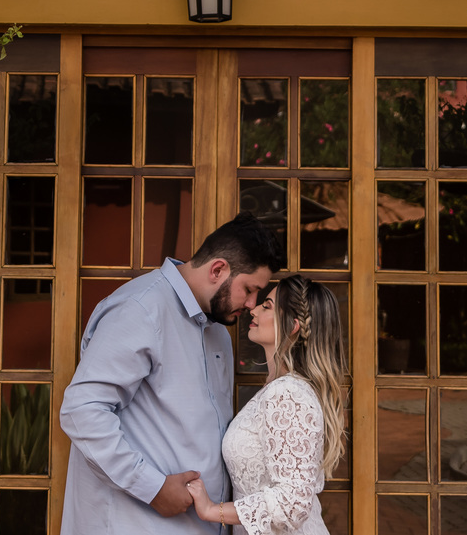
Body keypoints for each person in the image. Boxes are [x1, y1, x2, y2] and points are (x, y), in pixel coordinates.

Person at [60, 212, 285, 535]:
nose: (252, 303)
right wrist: (151, 487)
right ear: (218, 269)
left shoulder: (219, 331)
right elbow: (82, 410)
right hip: (136, 525)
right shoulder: (140, 309)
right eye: (249, 289)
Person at [185, 274, 347, 535]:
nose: (254, 309)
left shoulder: (288, 393)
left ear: (292, 326)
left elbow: (293, 504)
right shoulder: (279, 388)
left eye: (267, 306)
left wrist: (212, 510)